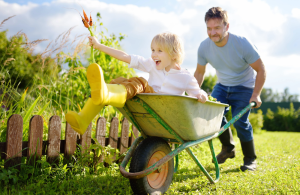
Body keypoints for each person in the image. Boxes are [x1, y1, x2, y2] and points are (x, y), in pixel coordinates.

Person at [66, 32, 208, 135]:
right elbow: (126, 57)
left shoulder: (185, 77)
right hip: (149, 108)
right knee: (119, 82)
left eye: (159, 50)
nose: (153, 54)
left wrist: (202, 96)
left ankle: (107, 94)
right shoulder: (152, 64)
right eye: (152, 50)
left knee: (140, 82)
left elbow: (197, 92)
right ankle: (83, 118)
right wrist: (99, 46)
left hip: (165, 113)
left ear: (174, 54)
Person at [194, 7, 266, 171]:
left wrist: (256, 94)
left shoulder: (242, 43)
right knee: (213, 117)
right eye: (209, 28)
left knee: (240, 122)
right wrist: (192, 92)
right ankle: (228, 148)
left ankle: (250, 159)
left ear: (227, 26)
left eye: (217, 28)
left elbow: (261, 69)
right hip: (222, 86)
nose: (213, 33)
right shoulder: (204, 47)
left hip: (244, 87)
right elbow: (199, 72)